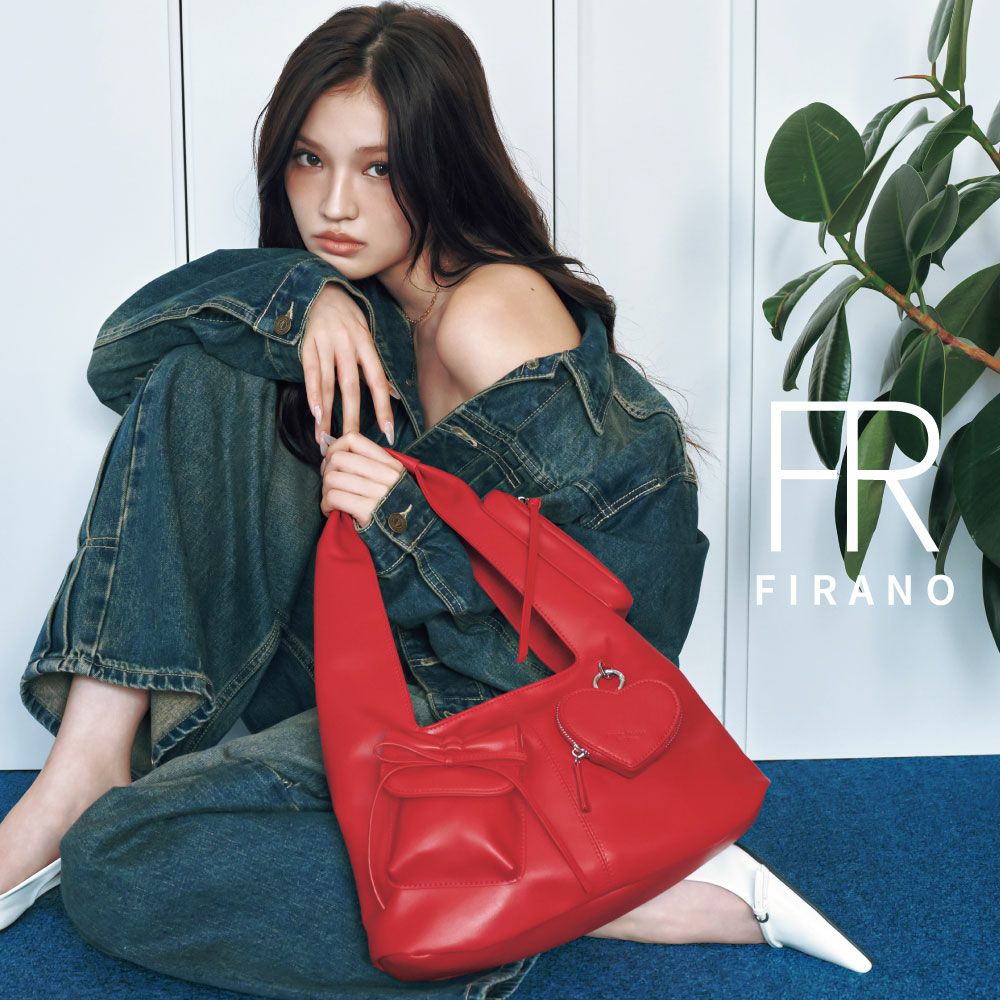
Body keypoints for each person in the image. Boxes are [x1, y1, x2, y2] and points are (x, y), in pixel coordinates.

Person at [0, 2, 872, 995]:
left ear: (443, 164)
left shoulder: (490, 317)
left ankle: (581, 889)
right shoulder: (366, 300)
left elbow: (602, 645)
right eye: (308, 160)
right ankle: (84, 769)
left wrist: (403, 521)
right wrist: (302, 301)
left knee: (119, 867)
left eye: (378, 168)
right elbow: (121, 362)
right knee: (207, 369)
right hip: (377, 673)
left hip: (510, 732)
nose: (333, 203)